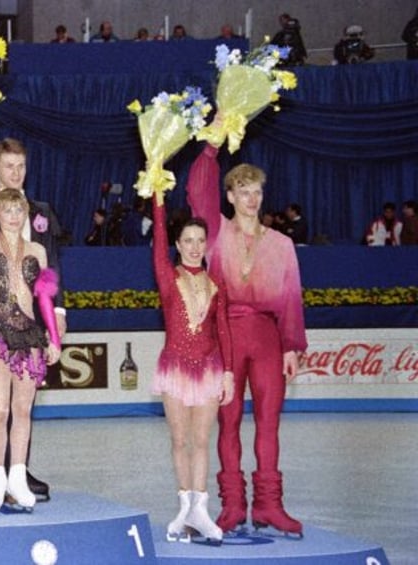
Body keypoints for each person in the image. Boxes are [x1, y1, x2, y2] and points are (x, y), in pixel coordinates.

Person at [186, 128, 308, 536]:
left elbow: (291, 298)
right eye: (242, 191)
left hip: (269, 339)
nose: (251, 198)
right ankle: (233, 506)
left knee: (269, 423)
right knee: (230, 421)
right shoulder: (216, 233)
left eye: (256, 191)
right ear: (230, 197)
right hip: (226, 338)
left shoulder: (282, 245)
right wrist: (212, 146)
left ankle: (270, 507)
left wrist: (292, 346)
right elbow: (196, 190)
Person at [0, 138, 67, 505]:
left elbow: (53, 269)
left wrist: (57, 317)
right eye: (8, 166)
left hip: (31, 325)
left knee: (23, 406)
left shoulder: (41, 212)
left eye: (21, 166)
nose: (16, 173)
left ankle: (19, 472)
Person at [151, 193, 233, 544]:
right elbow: (156, 242)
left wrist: (228, 372)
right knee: (180, 440)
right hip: (175, 368)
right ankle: (185, 508)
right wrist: (157, 199)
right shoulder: (169, 278)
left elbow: (224, 329)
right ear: (178, 244)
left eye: (200, 240)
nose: (195, 246)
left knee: (202, 441)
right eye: (188, 240)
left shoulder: (217, 284)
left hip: (211, 368)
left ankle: (201, 509)